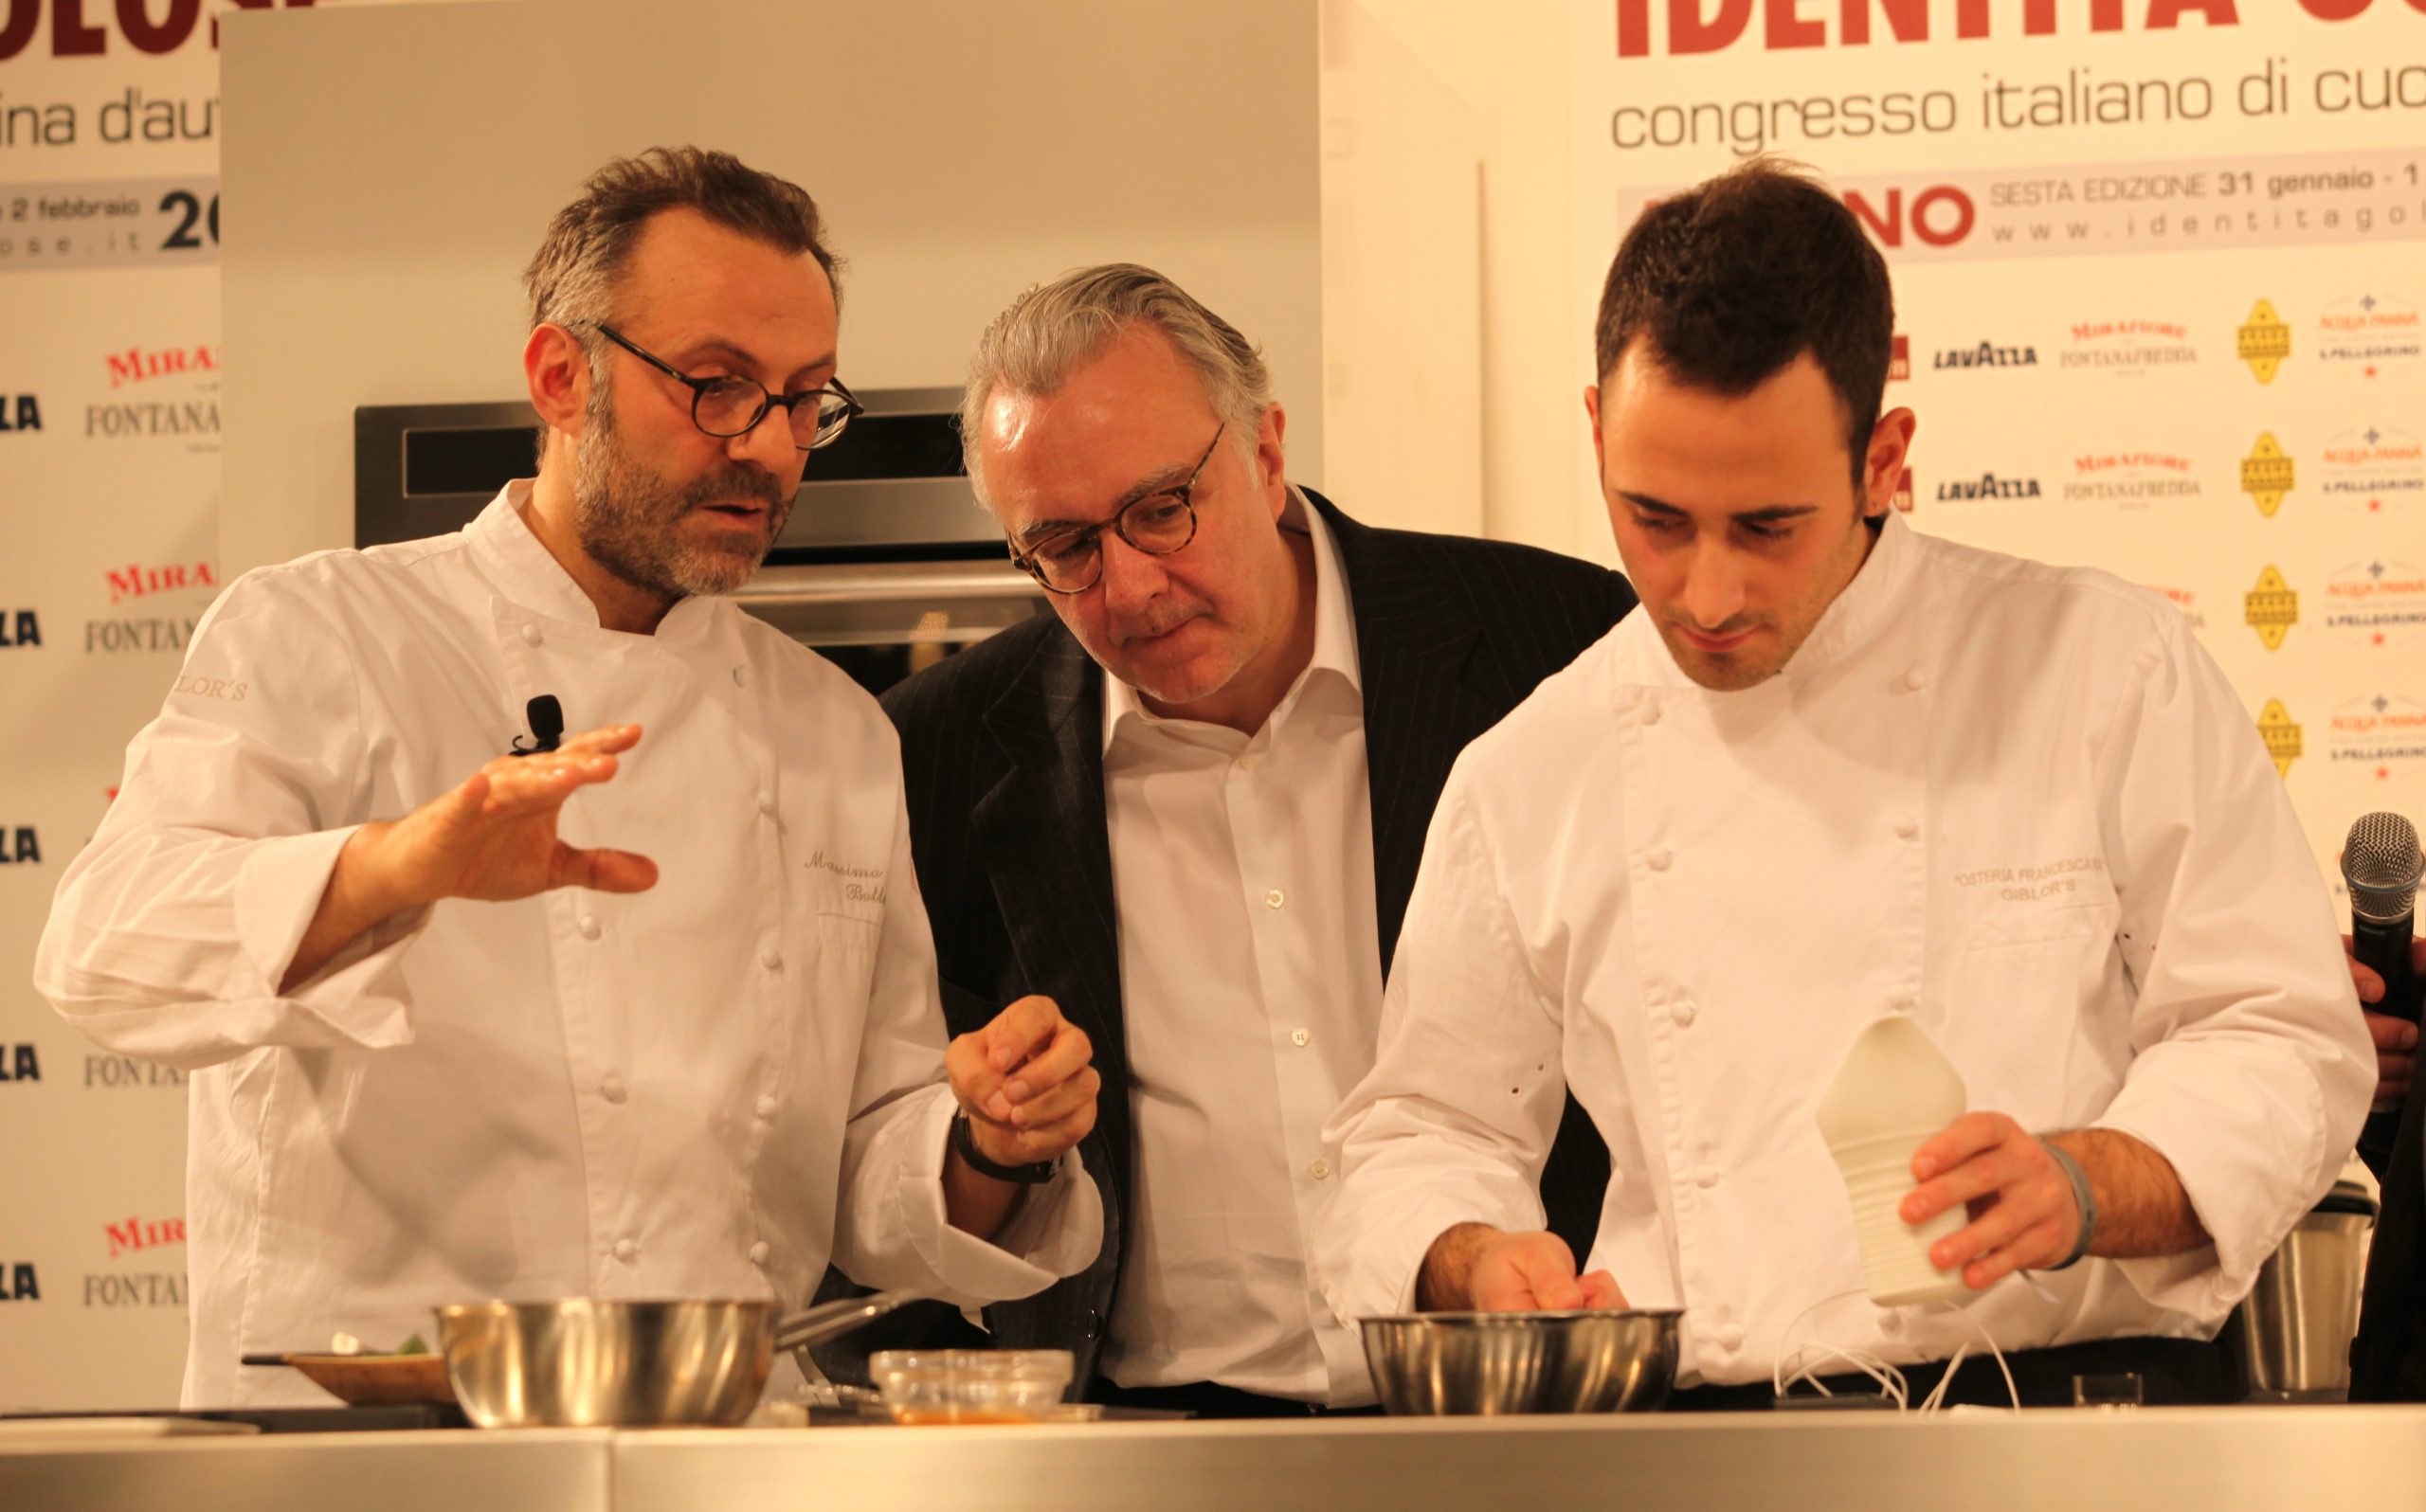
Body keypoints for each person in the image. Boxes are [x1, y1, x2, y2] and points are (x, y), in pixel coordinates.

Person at [33, 148, 1102, 1408]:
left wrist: (989, 1137)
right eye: (715, 386)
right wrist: (387, 871)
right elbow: (99, 951)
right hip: (373, 1449)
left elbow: (863, 1166)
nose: (765, 448)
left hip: (716, 1442)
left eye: (805, 398)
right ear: (560, 375)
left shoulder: (832, 730)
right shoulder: (318, 632)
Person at [1315, 159, 2374, 1408]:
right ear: (1597, 428)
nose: (1706, 596)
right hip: (1699, 1438)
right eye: (1654, 517)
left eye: (1767, 527)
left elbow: (2279, 1031)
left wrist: (2093, 1180)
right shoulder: (1535, 765)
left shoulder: (2101, 668)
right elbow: (1423, 1131)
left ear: (1884, 458)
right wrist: (1472, 1255)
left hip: (2077, 1423)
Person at [863, 265, 1636, 1415]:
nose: (1127, 588)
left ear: (1266, 455)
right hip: (1146, 1443)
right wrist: (985, 1140)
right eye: (1064, 547)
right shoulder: (938, 755)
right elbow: (896, 1186)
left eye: (1162, 508)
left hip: (1534, 1408)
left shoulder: (1561, 649)